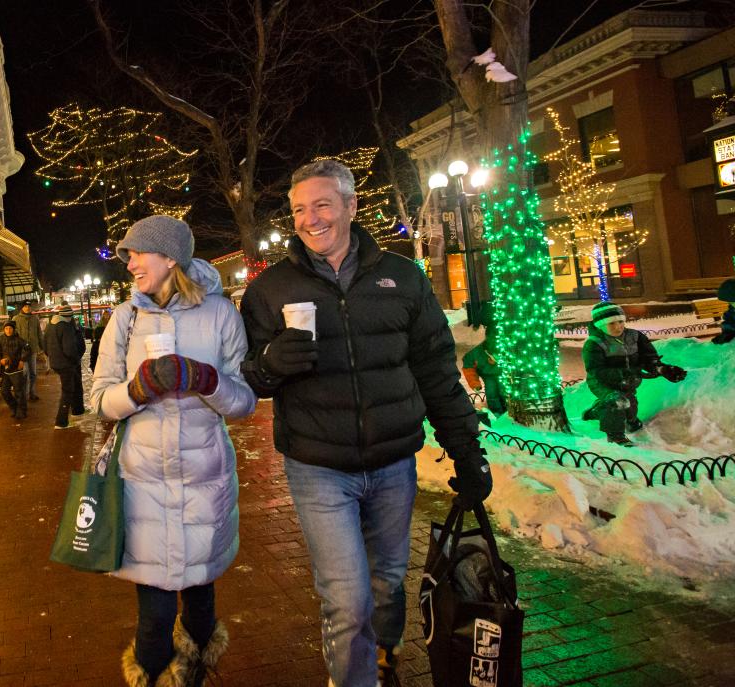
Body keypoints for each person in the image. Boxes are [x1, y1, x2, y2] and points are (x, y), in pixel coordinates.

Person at [239, 159, 489, 687]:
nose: (311, 219)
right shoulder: (270, 289)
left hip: (395, 462)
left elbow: (436, 370)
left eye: (323, 204)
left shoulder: (402, 277)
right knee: (347, 597)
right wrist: (268, 366)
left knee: (387, 584)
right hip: (318, 468)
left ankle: (383, 656)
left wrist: (466, 450)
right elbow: (249, 380)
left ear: (351, 206)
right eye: (300, 209)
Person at [91, 215, 256, 687]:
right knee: (155, 615)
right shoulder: (126, 319)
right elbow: (101, 399)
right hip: (142, 485)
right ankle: (152, 676)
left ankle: (199, 672)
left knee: (202, 607)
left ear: (170, 257)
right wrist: (139, 389)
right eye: (128, 256)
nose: (130, 265)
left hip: (206, 482)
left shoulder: (222, 314)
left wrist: (206, 381)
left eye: (137, 253)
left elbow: (243, 400)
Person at [582, 302, 687, 446]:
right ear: (600, 325)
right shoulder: (594, 343)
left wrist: (661, 369)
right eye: (611, 323)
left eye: (621, 321)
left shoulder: (636, 337)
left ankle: (598, 411)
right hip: (602, 382)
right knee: (617, 401)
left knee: (630, 410)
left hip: (629, 380)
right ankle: (615, 436)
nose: (618, 326)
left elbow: (649, 358)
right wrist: (623, 373)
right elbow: (596, 370)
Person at [46, 303, 86, 429]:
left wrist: (52, 356)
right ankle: (61, 421)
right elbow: (69, 349)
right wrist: (75, 359)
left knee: (73, 385)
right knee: (67, 390)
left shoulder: (50, 325)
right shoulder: (66, 326)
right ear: (69, 317)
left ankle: (77, 410)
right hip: (66, 363)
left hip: (56, 362)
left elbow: (45, 344)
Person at [0, 320, 30, 420]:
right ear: (4, 330)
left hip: (16, 369)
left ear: (13, 329)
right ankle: (14, 408)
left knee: (19, 392)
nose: (8, 330)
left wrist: (22, 360)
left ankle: (22, 411)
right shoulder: (1, 339)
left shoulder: (19, 339)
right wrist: (0, 360)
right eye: (6, 328)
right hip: (5, 370)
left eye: (10, 328)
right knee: (4, 391)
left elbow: (28, 349)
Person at [462, 340, 507, 417]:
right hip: (488, 375)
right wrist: (475, 384)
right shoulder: (475, 353)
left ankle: (507, 411)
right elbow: (469, 368)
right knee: (491, 392)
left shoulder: (504, 347)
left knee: (503, 391)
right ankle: (497, 413)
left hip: (503, 374)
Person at [12, 300, 43, 399]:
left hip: (33, 349)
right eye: (25, 306)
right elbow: (13, 335)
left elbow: (39, 334)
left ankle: (32, 393)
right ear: (22, 307)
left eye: (29, 306)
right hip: (22, 351)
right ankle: (24, 394)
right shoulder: (16, 319)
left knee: (33, 373)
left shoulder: (35, 318)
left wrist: (42, 347)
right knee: (25, 373)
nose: (27, 308)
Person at [713, 278, 735, 345]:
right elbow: (730, 322)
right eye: (730, 302)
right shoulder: (732, 311)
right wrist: (727, 334)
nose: (732, 304)